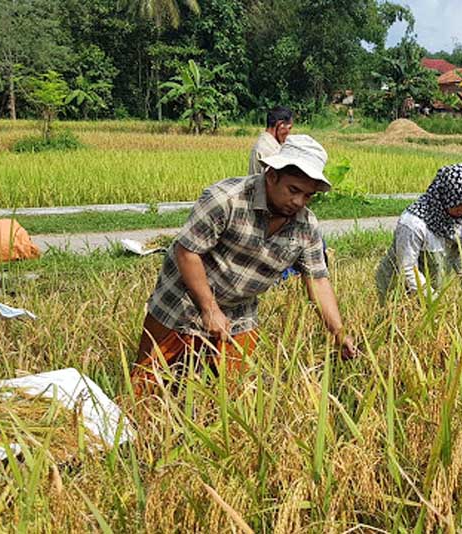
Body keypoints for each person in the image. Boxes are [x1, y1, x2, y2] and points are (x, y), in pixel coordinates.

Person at [133, 135, 356, 394]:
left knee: (231, 394)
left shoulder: (306, 226)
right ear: (272, 175)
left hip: (238, 314)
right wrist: (209, 308)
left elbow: (317, 280)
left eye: (308, 195)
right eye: (293, 190)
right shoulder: (226, 199)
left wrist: (338, 332)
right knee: (148, 387)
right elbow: (187, 252)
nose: (299, 202)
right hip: (181, 304)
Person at [375, 163, 462, 303]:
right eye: (459, 205)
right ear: (445, 198)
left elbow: (460, 254)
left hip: (430, 286)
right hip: (398, 287)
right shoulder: (413, 224)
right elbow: (408, 269)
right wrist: (434, 301)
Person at [248, 106, 293, 175]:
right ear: (280, 125)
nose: (289, 133)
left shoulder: (266, 143)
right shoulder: (269, 150)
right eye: (289, 128)